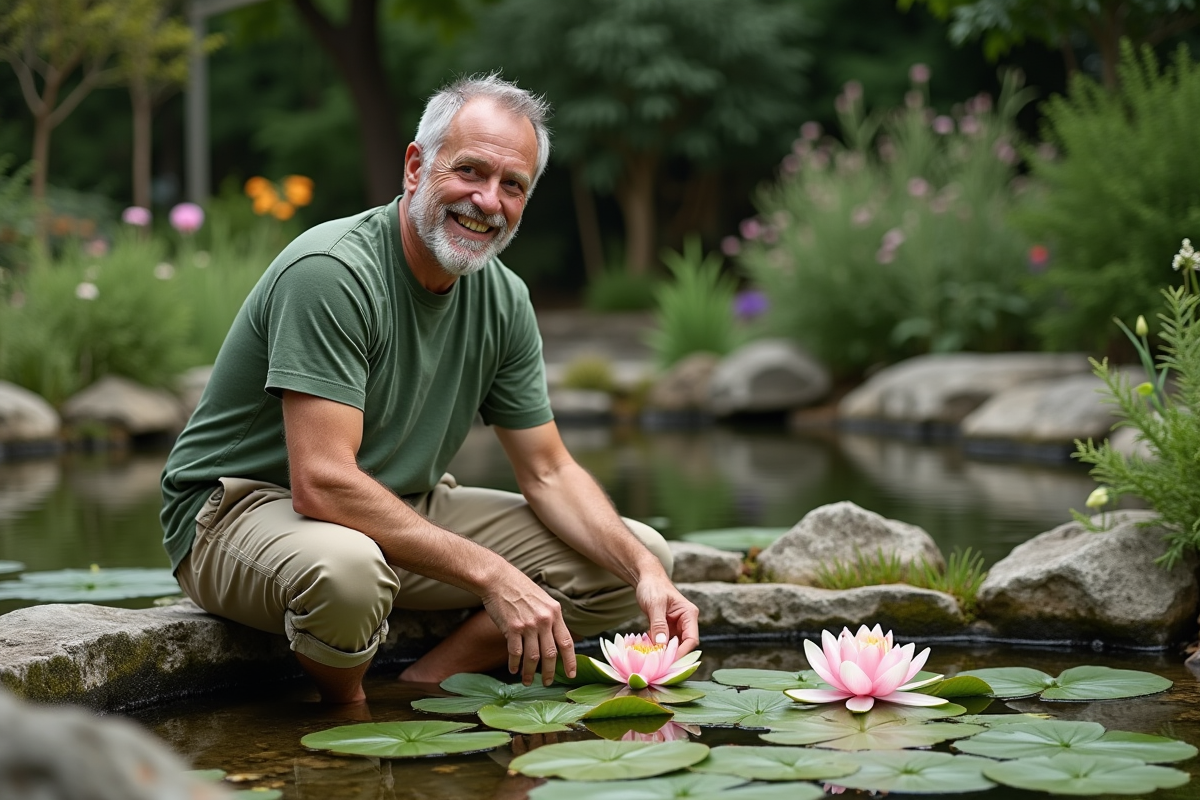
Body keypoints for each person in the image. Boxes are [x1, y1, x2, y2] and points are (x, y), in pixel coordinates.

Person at [159, 74, 699, 704]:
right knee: (348, 573)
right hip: (239, 513)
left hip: (399, 506)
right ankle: (349, 718)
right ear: (416, 166)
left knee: (632, 557)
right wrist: (495, 575)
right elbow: (322, 480)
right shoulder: (332, 272)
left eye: (513, 185)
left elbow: (549, 472)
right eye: (470, 171)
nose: (488, 201)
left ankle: (427, 682)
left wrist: (647, 572)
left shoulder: (505, 300)